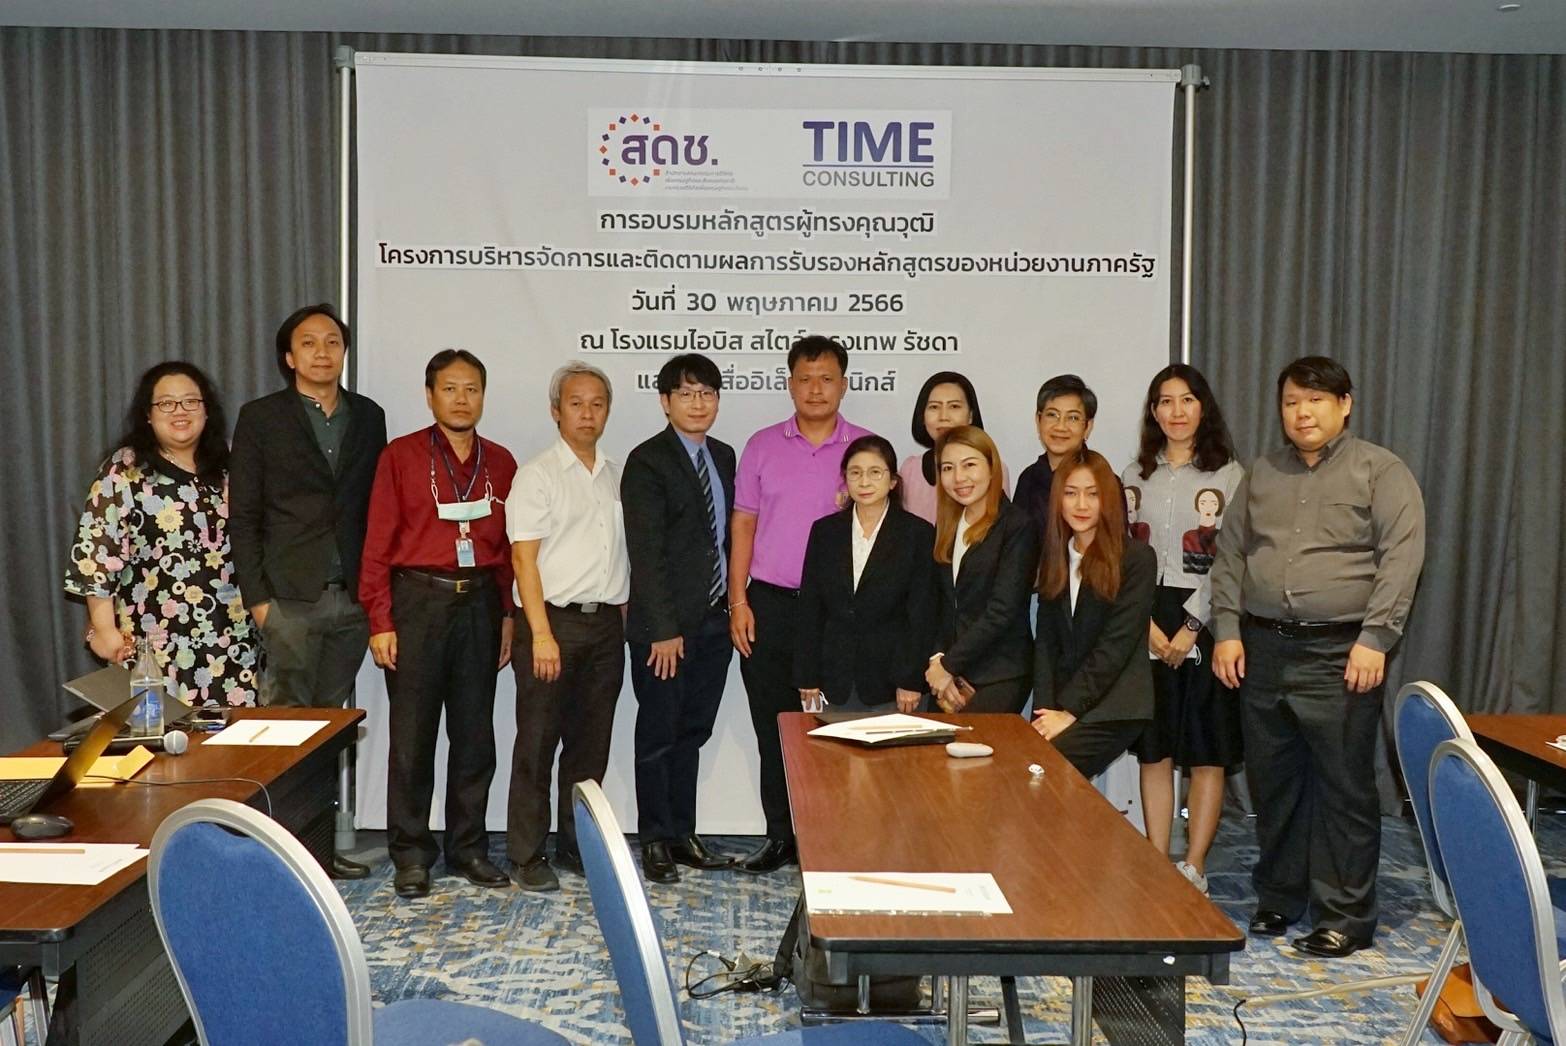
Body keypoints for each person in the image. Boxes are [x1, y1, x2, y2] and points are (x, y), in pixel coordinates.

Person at [1211, 356, 1425, 959]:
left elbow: (1401, 558)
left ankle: (1344, 916)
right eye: (1291, 402)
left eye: (1315, 400)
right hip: (1262, 648)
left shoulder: (1380, 471)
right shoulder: (1261, 473)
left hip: (1342, 650)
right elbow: (1230, 555)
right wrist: (1226, 629)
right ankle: (1280, 895)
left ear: (1344, 404)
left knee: (1343, 786)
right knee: (1273, 781)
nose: (1301, 413)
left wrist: (1376, 638)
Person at [229, 303, 387, 880]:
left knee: (327, 730)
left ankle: (316, 852)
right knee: (283, 731)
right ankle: (276, 856)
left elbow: (374, 506)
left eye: (333, 342)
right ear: (289, 357)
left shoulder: (369, 416)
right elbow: (243, 515)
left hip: (352, 597)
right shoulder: (261, 417)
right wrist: (258, 600)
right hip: (289, 598)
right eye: (309, 343)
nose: (323, 352)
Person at [360, 350, 517, 900]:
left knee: (475, 735)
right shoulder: (401, 457)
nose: (461, 399)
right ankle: (410, 853)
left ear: (483, 396)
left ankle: (468, 848)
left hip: (479, 604)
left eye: (471, 389)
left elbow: (506, 551)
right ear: (429, 396)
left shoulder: (501, 462)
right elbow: (376, 545)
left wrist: (507, 614)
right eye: (450, 389)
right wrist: (381, 620)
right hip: (417, 603)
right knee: (412, 737)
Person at [729, 336, 871, 874]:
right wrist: (737, 601)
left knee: (834, 730)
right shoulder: (762, 445)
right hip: (769, 605)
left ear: (844, 385)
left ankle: (831, 841)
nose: (816, 389)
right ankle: (780, 837)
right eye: (805, 379)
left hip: (840, 616)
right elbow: (743, 524)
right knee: (775, 729)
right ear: (789, 384)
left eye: (826, 379)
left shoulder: (865, 450)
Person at [66, 362, 260, 707]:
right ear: (148, 414)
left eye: (190, 401)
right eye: (166, 403)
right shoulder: (125, 470)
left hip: (234, 638)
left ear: (206, 410)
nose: (179, 411)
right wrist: (104, 629)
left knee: (235, 736)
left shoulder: (236, 461)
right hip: (153, 642)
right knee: (161, 733)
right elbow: (96, 553)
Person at [1119, 364, 1245, 895]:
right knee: (1156, 748)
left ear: (1203, 407)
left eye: (1187, 400)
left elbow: (1232, 558)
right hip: (1146, 617)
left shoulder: (1229, 475)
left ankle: (1194, 866)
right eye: (1165, 401)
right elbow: (1120, 553)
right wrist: (1146, 623)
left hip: (1209, 620)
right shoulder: (1134, 474)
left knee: (1205, 749)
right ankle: (1155, 860)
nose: (1176, 411)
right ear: (1153, 411)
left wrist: (1194, 624)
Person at [506, 362, 629, 892]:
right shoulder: (537, 475)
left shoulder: (617, 474)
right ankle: (526, 854)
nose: (587, 413)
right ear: (556, 411)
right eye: (576, 403)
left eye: (597, 404)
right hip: (550, 623)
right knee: (537, 743)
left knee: (590, 747)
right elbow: (523, 560)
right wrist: (540, 634)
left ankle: (577, 846)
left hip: (605, 627)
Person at [622, 355, 738, 885]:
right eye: (686, 394)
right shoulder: (647, 461)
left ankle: (682, 833)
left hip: (713, 621)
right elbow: (646, 553)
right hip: (663, 630)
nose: (698, 403)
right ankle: (653, 838)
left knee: (693, 731)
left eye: (707, 393)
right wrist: (664, 630)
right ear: (665, 402)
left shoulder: (725, 456)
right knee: (658, 732)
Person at [1032, 450, 1156, 778]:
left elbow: (1116, 646)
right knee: (1028, 763)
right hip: (1066, 703)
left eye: (1093, 494)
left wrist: (1068, 712)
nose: (1081, 505)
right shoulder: (1055, 556)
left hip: (1115, 706)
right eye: (1071, 493)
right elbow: (1046, 643)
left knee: (1043, 771)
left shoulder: (1137, 558)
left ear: (1109, 500)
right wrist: (1043, 713)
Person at [796, 435, 938, 715]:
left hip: (893, 682)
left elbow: (921, 614)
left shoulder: (917, 533)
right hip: (834, 678)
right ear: (845, 479)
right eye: (855, 473)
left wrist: (910, 679)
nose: (864, 482)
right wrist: (807, 675)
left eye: (875, 473)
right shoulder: (825, 532)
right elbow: (811, 606)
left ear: (893, 481)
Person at [925, 426, 1038, 714]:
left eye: (969, 465)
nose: (958, 477)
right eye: (948, 468)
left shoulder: (1017, 526)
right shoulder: (947, 524)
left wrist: (949, 665)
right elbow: (941, 604)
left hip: (999, 673)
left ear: (992, 468)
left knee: (978, 744)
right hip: (950, 673)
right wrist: (939, 660)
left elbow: (1002, 610)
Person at [897, 371, 1006, 524]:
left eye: (954, 406)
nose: (943, 417)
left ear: (970, 415)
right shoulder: (910, 469)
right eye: (934, 407)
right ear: (922, 416)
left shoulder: (991, 466)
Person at [1013, 374, 1098, 539]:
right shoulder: (1028, 479)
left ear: (1087, 427)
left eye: (1073, 418)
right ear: (1038, 420)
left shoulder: (1103, 480)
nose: (1060, 427)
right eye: (1052, 415)